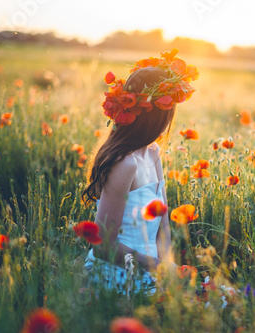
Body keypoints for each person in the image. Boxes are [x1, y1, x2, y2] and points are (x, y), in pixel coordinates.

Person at [80, 49, 198, 296]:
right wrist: (155, 266)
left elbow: (163, 225)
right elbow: (103, 246)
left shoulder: (152, 152)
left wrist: (168, 271)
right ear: (157, 115)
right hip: (115, 275)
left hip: (151, 271)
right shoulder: (124, 164)